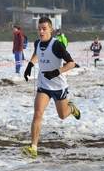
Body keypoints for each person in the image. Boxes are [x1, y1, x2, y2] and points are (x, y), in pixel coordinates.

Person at [22, 16, 81, 158]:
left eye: (44, 29)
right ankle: (34, 148)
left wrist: (56, 72)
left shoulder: (57, 45)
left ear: (51, 30)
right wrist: (30, 64)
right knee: (38, 113)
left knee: (62, 115)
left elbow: (72, 63)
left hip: (58, 86)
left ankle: (71, 108)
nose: (41, 32)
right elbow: (37, 52)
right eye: (39, 29)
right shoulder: (37, 43)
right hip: (43, 85)